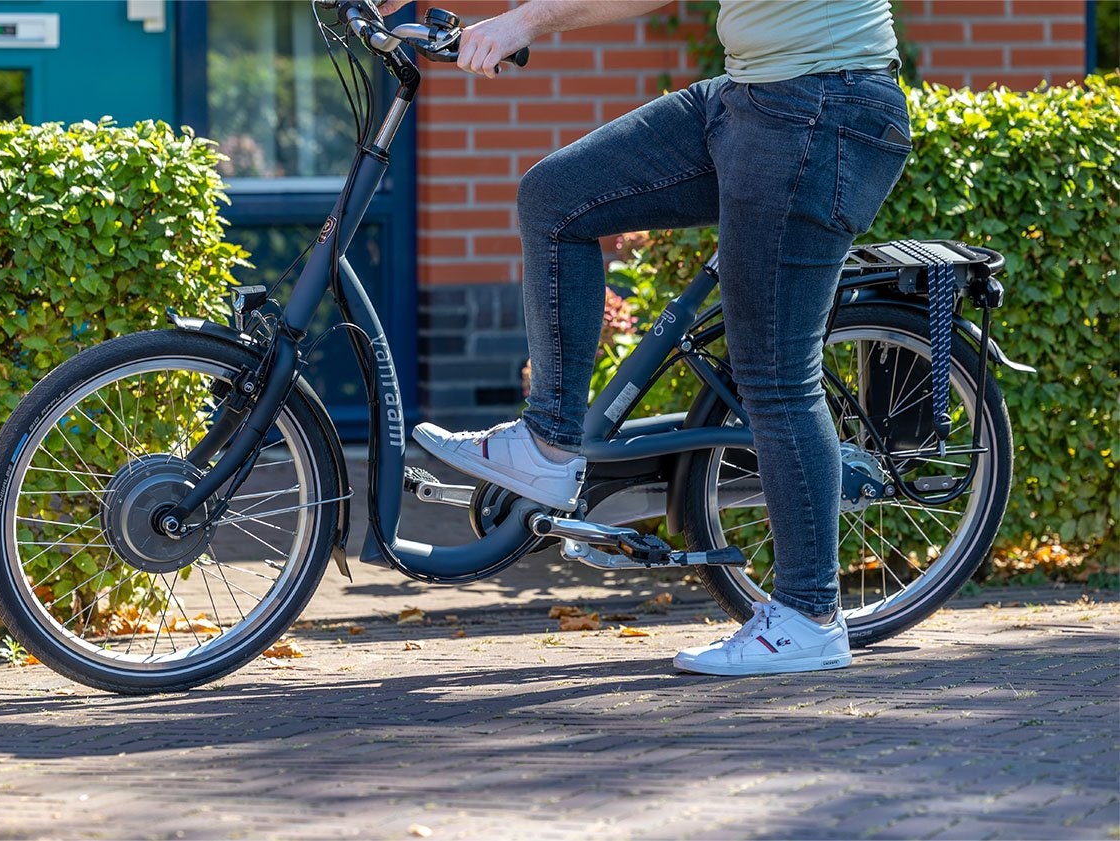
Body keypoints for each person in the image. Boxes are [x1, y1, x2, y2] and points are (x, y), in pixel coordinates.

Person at [379, 0, 911, 676]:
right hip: (751, 93)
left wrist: (521, 23)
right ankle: (548, 444)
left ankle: (809, 617)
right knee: (556, 198)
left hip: (821, 106)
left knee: (774, 374)